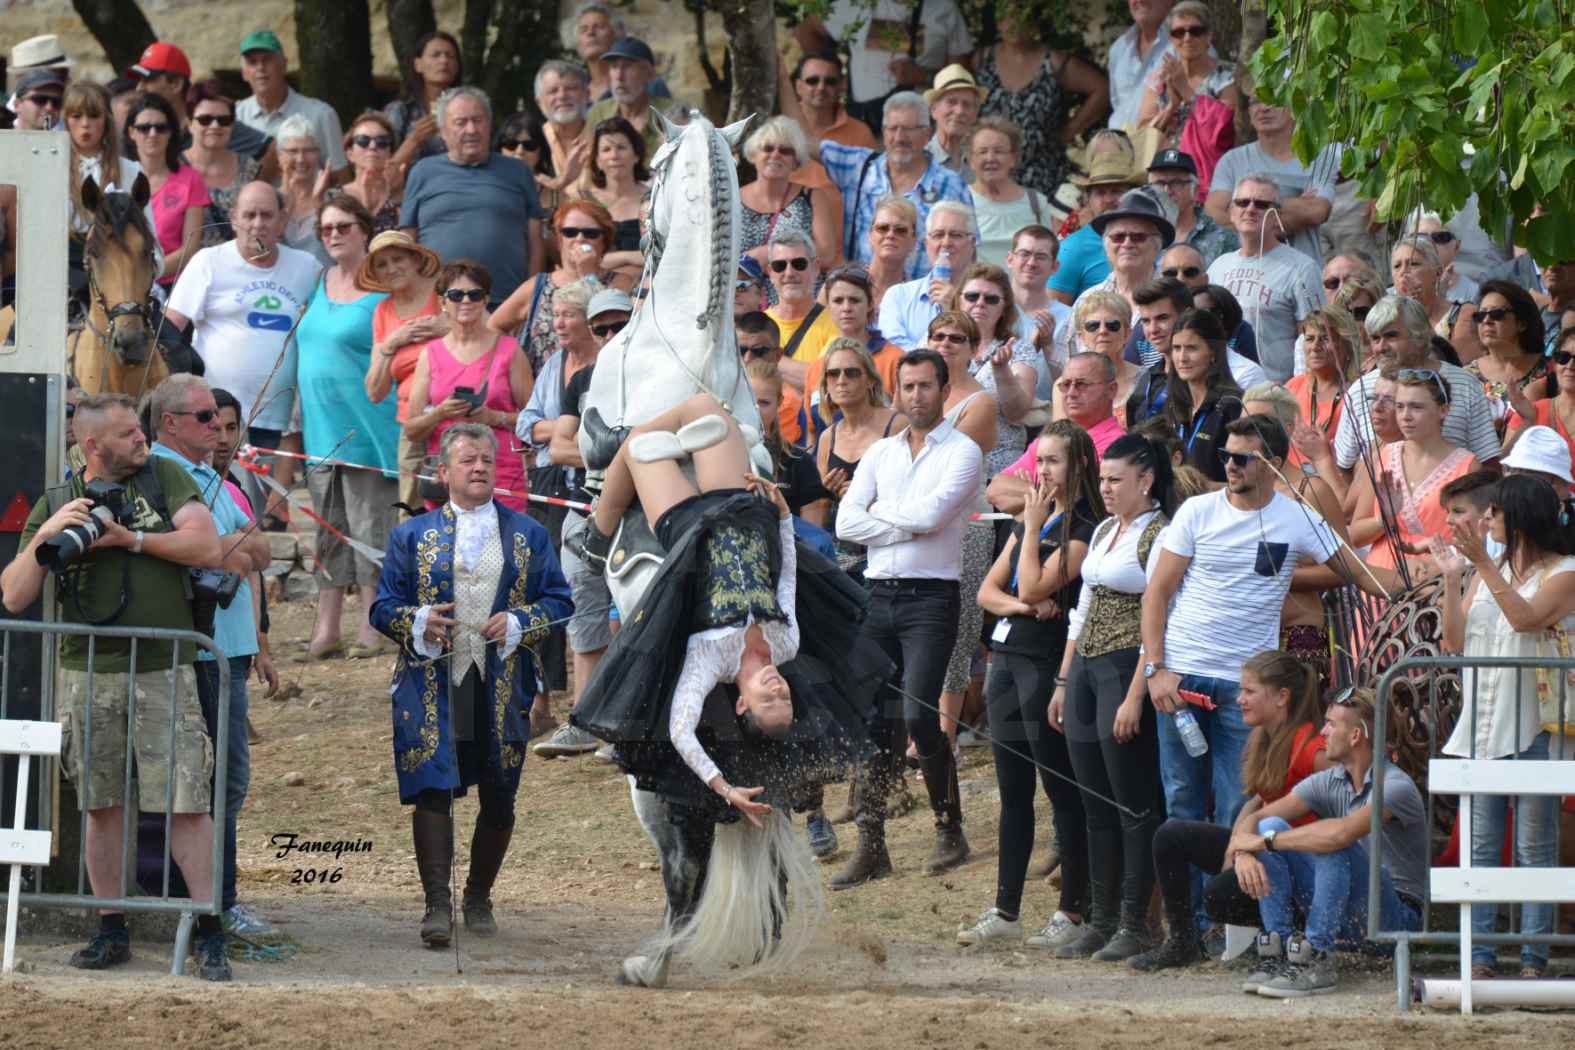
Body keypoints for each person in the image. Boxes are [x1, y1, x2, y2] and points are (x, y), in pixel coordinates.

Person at [1, 393, 230, 981]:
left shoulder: (166, 476)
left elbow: (207, 547)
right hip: (87, 671)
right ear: (93, 447)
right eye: (129, 434)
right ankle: (110, 927)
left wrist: (131, 540)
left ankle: (209, 929)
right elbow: (13, 595)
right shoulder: (59, 499)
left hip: (166, 666)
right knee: (102, 806)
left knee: (186, 803)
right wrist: (49, 532)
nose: (142, 440)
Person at [1142, 415, 1398, 895]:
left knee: (1239, 803)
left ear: (1274, 465)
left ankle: (1227, 918)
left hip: (1249, 685)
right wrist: (1156, 669)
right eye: (1226, 456)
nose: (1231, 465)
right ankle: (1189, 925)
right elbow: (1156, 593)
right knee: (1181, 800)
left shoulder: (1297, 515)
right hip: (1184, 675)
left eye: (1243, 458)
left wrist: (1429, 584)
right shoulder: (1198, 510)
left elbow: (1356, 570)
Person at [371, 422, 571, 946]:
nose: (480, 467)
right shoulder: (409, 536)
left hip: (502, 681)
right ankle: (438, 906)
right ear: (443, 471)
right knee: (433, 788)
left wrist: (521, 620)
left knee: (500, 792)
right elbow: (382, 607)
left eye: (486, 459)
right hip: (433, 680)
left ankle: (479, 896)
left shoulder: (530, 534)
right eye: (468, 460)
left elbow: (560, 601)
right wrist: (418, 621)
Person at [832, 349, 985, 886]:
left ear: (945, 391)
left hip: (931, 597)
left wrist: (882, 519)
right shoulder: (879, 453)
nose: (916, 395)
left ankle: (949, 824)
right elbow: (846, 521)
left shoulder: (964, 452)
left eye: (925, 386)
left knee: (920, 713)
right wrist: (902, 526)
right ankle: (872, 843)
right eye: (908, 386)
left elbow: (934, 516)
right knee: (873, 716)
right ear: (896, 391)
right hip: (877, 592)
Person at [959, 423, 1102, 949]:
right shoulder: (1030, 518)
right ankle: (1006, 909)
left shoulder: (1089, 522)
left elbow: (1039, 580)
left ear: (1079, 465)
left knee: (1062, 788)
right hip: (1008, 658)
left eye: (1053, 462)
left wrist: (1035, 526)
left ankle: (1072, 910)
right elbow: (990, 593)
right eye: (1038, 462)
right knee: (1013, 790)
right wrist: (1022, 607)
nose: (1041, 472)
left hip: (1050, 665)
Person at [147, 376, 274, 935]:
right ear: (169, 423)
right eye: (205, 419)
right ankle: (210, 903)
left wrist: (231, 549)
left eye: (224, 423)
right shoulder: (165, 475)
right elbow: (209, 552)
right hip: (199, 649)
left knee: (228, 781)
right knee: (210, 781)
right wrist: (229, 548)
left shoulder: (220, 480)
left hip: (231, 648)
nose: (219, 432)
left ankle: (218, 899)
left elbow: (260, 551)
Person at [1438, 473, 1575, 978]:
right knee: (1480, 847)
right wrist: (1454, 578)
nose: (1485, 520)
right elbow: (1453, 641)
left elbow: (1525, 618)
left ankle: (1533, 960)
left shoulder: (1565, 571)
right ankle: (1482, 959)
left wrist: (1478, 566)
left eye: (1493, 512)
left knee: (1534, 848)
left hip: (1536, 726)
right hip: (1481, 724)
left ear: (1519, 518)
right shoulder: (1485, 568)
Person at [1045, 431, 1173, 959]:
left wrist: (1136, 694)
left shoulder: (1161, 534)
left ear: (1146, 480)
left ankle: (1133, 920)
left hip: (1125, 666)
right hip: (1088, 667)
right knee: (1093, 799)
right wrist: (1062, 677)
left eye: (1116, 479)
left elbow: (1160, 618)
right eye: (1103, 479)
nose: (1107, 488)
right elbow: (1083, 608)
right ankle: (1099, 918)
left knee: (1132, 801)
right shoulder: (1102, 530)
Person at [1129, 649, 1333, 972]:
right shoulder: (1260, 736)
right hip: (1262, 846)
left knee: (1219, 894)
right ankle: (1183, 941)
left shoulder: (1313, 750)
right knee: (1171, 835)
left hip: (1299, 864)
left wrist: (1246, 847)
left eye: (1250, 692)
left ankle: (1284, 934)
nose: (1240, 699)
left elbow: (1332, 819)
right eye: (1241, 690)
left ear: (1282, 698)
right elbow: (1256, 801)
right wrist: (1240, 843)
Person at [1224, 689, 1427, 997]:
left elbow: (1340, 835)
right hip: (1352, 915)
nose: (1323, 731)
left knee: (1333, 843)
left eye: (1331, 724)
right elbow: (1256, 819)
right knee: (1272, 824)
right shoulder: (1331, 779)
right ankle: (1279, 949)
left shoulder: (1396, 786)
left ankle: (1317, 957)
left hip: (1395, 920)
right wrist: (1243, 852)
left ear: (1356, 735)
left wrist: (1264, 843)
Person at [164, 181, 320, 525]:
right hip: (216, 419)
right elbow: (169, 330)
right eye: (249, 215)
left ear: (282, 220)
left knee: (262, 524)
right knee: (219, 512)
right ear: (233, 218)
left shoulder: (307, 267)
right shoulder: (209, 261)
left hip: (278, 419)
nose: (258, 223)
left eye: (267, 215)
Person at [294, 195, 396, 660]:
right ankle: (327, 626)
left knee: (368, 527)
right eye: (327, 227)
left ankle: (373, 624)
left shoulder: (382, 290)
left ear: (364, 230)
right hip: (319, 430)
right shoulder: (320, 279)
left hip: (366, 428)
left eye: (344, 226)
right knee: (327, 528)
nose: (334, 234)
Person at [531, 284, 628, 761]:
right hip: (580, 510)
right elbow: (557, 447)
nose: (610, 334)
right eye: (602, 327)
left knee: (635, 614)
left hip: (638, 513)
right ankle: (585, 720)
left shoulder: (655, 376)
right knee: (585, 614)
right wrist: (619, 456)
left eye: (619, 325)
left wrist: (599, 456)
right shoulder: (581, 380)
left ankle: (628, 725)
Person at [1331, 295, 1501, 485]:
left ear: (1419, 335)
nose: (1380, 347)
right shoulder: (1360, 391)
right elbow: (1343, 467)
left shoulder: (1464, 384)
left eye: (1391, 336)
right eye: (1375, 338)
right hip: (1378, 511)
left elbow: (1489, 463)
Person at [406, 260, 533, 513]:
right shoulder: (430, 354)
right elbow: (412, 428)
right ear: (443, 302)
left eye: (474, 294)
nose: (466, 301)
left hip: (500, 473)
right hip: (447, 477)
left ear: (485, 301)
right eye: (456, 295)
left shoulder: (509, 349)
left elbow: (535, 422)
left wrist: (494, 417)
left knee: (501, 549)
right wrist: (441, 413)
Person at [401, 86, 546, 308]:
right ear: (443, 130)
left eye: (478, 120)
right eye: (461, 122)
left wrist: (529, 301)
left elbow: (536, 242)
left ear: (489, 124)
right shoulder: (422, 171)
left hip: (506, 306)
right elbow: (407, 241)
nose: (471, 129)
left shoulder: (518, 171)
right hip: (440, 305)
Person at [820, 91, 971, 277]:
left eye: (909, 129)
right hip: (864, 299)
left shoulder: (953, 185)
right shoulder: (859, 167)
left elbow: (968, 255)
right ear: (883, 132)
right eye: (893, 128)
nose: (899, 138)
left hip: (926, 301)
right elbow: (799, 144)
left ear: (927, 133)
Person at [1348, 366, 1476, 577]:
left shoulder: (1467, 465)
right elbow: (1356, 535)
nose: (1405, 416)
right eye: (1399, 407)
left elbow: (1474, 540)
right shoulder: (1383, 456)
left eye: (1416, 407)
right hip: (1382, 575)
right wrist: (1384, 519)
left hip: (1435, 577)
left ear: (1443, 410)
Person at [973, 7, 1108, 198]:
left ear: (1034, 20)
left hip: (1042, 178)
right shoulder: (981, 59)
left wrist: (1068, 131)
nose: (1012, 23)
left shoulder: (1053, 63)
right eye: (1005, 15)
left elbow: (1102, 89)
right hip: (990, 177)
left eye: (1019, 16)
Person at [361, 230, 449, 512]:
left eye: (398, 258)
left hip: (455, 415)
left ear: (415, 258)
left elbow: (488, 333)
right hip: (412, 426)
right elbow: (374, 391)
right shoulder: (383, 311)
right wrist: (392, 343)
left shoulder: (444, 291)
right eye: (382, 264)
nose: (391, 268)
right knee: (412, 512)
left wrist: (445, 327)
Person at [492, 199, 629, 380]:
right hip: (543, 393)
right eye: (570, 232)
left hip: (600, 384)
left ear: (604, 241)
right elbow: (494, 327)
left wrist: (588, 274)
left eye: (591, 233)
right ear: (559, 239)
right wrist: (516, 366)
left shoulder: (620, 283)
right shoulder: (538, 286)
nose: (580, 239)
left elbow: (603, 321)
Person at [1206, 174, 1325, 382]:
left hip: (1274, 392)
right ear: (1232, 212)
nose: (1250, 209)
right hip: (1221, 389)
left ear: (1276, 216)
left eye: (1261, 204)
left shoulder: (1302, 269)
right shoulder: (1217, 267)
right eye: (1242, 202)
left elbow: (1314, 339)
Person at [796, 1, 975, 132]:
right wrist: (834, 78)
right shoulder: (857, 5)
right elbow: (807, 31)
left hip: (922, 132)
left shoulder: (943, 8)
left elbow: (961, 79)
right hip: (864, 128)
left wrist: (924, 77)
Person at [988, 352, 1127, 516]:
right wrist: (1051, 496)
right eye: (1066, 385)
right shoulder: (1052, 439)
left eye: (1082, 384)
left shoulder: (1119, 446)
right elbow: (996, 489)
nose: (1071, 393)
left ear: (1111, 390)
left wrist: (1031, 496)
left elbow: (1087, 501)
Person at [1205, 99, 1338, 265]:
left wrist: (1245, 213)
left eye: (1273, 100)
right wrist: (1296, 206)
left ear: (1295, 108)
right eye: (1255, 102)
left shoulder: (1321, 158)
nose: (1263, 108)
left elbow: (1317, 211)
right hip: (1244, 274)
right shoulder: (1232, 160)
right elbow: (1214, 215)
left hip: (1302, 273)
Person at [815, 337, 904, 578]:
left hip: (887, 548)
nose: (841, 381)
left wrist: (866, 492)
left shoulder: (897, 425)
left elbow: (915, 489)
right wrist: (826, 490)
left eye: (851, 372)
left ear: (870, 381)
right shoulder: (828, 437)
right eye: (833, 374)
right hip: (840, 550)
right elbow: (820, 508)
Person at [947, 262, 1041, 472]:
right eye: (972, 296)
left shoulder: (1019, 349)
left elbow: (1017, 413)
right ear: (958, 299)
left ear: (1004, 307)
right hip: (943, 463)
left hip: (997, 468)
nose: (980, 304)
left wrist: (1002, 371)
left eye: (991, 299)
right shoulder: (936, 342)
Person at [1136, 2, 1237, 183]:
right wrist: (1170, 107)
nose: (1187, 38)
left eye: (1195, 31)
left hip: (1210, 175)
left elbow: (1223, 130)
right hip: (1164, 174)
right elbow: (1143, 135)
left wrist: (1186, 91)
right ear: (1171, 38)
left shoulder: (1227, 76)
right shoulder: (1158, 78)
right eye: (1179, 32)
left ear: (1209, 36)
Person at [125, 92, 208, 288]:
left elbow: (190, 249)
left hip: (174, 288)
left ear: (171, 132)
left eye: (160, 128)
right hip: (123, 286)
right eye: (144, 128)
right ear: (131, 132)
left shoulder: (191, 179)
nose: (152, 134)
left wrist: (149, 272)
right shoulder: (117, 179)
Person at [235, 30, 348, 173]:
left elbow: (341, 179)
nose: (260, 67)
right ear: (243, 73)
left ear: (284, 65)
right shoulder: (234, 117)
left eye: (267, 60)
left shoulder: (321, 115)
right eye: (252, 62)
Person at [739, 116, 840, 272]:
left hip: (799, 294)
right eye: (768, 148)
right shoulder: (733, 200)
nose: (776, 154)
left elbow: (826, 255)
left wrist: (767, 253)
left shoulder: (812, 198)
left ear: (796, 161)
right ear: (754, 155)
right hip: (743, 294)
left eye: (785, 150)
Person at [802, 266, 903, 419]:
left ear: (870, 304)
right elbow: (810, 432)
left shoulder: (896, 361)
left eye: (854, 300)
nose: (846, 308)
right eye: (838, 301)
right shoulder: (817, 368)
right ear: (828, 307)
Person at [876, 200, 978, 350]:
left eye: (956, 235)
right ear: (926, 243)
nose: (946, 242)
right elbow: (892, 350)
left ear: (973, 242)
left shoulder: (986, 299)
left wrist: (955, 309)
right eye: (938, 235)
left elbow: (984, 348)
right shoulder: (899, 296)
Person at [1049, 155, 1140, 306]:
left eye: (1117, 191)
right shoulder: (1072, 248)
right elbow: (1056, 317)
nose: (1109, 199)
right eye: (1100, 193)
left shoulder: (1148, 239)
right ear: (1088, 200)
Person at [183, 82, 260, 250]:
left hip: (237, 268)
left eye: (224, 120)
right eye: (205, 120)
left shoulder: (249, 168)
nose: (215, 126)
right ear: (189, 123)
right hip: (185, 271)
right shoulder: (173, 168)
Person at [1284, 304, 1360, 472]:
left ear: (1347, 345)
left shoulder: (1357, 393)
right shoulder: (1293, 386)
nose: (1315, 347)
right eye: (1310, 339)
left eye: (1326, 339)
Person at [583, 37, 688, 158]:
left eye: (627, 67)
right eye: (614, 67)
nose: (619, 76)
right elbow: (588, 164)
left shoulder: (672, 115)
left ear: (649, 73)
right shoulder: (599, 113)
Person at [766, 224, 842, 388]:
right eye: (780, 266)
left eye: (798, 264)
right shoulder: (757, 323)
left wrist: (761, 356)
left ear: (815, 268)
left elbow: (828, 382)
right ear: (770, 272)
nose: (789, 273)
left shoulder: (837, 322)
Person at [1391, 235, 1482, 365]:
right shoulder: (1389, 322)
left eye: (1414, 264)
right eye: (1397, 266)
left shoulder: (1464, 315)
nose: (1403, 272)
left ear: (1438, 273)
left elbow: (1458, 370)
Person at [1472, 278, 1550, 430]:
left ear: (1522, 323)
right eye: (1480, 315)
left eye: (1497, 314)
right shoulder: (1466, 376)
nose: (1487, 320)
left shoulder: (1552, 370)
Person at [967, 118, 1044, 268]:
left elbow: (1048, 255)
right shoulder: (960, 202)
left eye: (999, 151)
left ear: (1013, 158)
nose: (990, 158)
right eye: (982, 151)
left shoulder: (1037, 204)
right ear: (971, 159)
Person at [1005, 225, 1073, 392]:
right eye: (1024, 254)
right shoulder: (989, 309)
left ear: (1054, 267)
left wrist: (1048, 346)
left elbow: (1073, 381)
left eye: (1041, 257)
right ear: (1009, 260)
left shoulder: (1069, 318)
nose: (1031, 263)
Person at [385, 30, 463, 169]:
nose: (444, 60)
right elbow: (384, 171)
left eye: (450, 56)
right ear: (418, 64)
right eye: (435, 55)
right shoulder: (401, 111)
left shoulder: (468, 111)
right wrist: (414, 140)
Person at [1147, 149, 1237, 266]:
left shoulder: (1223, 239)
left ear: (1195, 191)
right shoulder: (1138, 236)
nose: (1167, 191)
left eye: (1176, 183)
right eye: (1159, 184)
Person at [575, 116, 650, 256]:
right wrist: (631, 257)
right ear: (597, 160)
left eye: (621, 147)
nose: (614, 156)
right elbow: (578, 254)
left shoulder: (654, 199)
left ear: (636, 155)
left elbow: (659, 255)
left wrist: (616, 258)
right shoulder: (586, 201)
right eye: (606, 149)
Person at [571, 2, 673, 104]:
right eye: (584, 29)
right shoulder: (573, 90)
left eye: (599, 27)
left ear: (617, 34)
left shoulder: (650, 85)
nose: (590, 33)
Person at [775, 50, 878, 149]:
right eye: (812, 81)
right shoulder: (776, 128)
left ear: (842, 85)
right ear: (798, 86)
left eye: (830, 81)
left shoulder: (860, 133)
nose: (821, 87)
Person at [1505, 325, 1575, 467]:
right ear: (1554, 364)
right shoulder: (1533, 411)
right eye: (1563, 357)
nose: (1570, 365)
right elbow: (1504, 465)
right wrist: (1528, 421)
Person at [529, 60, 593, 215]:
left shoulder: (606, 140)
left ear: (587, 95)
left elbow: (614, 201)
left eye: (571, 88)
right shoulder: (529, 143)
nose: (562, 96)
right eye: (553, 91)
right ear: (539, 102)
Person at [1107, 0, 1179, 129]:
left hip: (1163, 144)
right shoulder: (1118, 49)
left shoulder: (1189, 44)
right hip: (1118, 145)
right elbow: (1117, 105)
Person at [275, 116, 331, 267]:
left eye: (308, 151)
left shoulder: (336, 201)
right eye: (293, 151)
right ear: (279, 156)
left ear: (318, 154)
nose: (300, 159)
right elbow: (259, 251)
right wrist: (285, 213)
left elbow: (345, 252)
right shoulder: (267, 201)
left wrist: (319, 204)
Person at [340, 112, 405, 233]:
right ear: (350, 154)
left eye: (382, 141)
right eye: (363, 140)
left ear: (390, 153)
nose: (373, 146)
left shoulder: (405, 197)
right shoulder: (334, 197)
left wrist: (396, 196)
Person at [922, 64, 983, 178]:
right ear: (933, 110)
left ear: (975, 114)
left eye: (967, 104)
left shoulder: (982, 163)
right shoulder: (917, 162)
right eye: (951, 102)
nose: (959, 111)